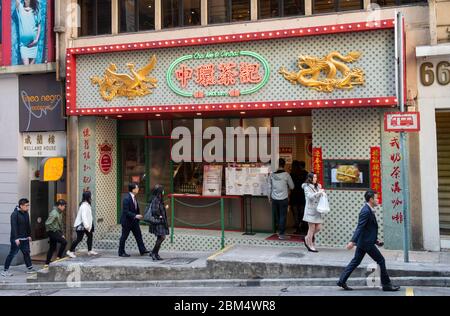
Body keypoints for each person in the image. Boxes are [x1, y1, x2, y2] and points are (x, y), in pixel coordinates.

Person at [337, 190, 400, 292]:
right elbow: (360, 227)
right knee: (381, 260)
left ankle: (341, 281)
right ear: (371, 199)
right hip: (366, 243)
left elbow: (368, 229)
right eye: (376, 198)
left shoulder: (369, 209)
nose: (378, 199)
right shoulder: (366, 211)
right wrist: (352, 242)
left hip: (364, 241)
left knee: (356, 261)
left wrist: (376, 240)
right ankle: (387, 285)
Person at [1, 198, 36, 277]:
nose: (28, 207)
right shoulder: (14, 214)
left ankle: (30, 268)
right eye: (26, 205)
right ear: (21, 206)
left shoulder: (26, 213)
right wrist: (16, 238)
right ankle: (5, 270)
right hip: (16, 239)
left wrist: (29, 235)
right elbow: (14, 227)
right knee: (12, 254)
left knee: (26, 253)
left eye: (28, 205)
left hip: (25, 238)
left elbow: (28, 225)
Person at [118, 183, 149, 257]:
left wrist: (136, 216)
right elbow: (126, 211)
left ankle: (142, 250)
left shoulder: (134, 197)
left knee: (138, 235)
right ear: (133, 189)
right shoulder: (126, 198)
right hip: (127, 221)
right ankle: (121, 252)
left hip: (134, 221)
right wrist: (135, 215)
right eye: (137, 188)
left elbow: (135, 208)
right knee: (124, 237)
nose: (138, 189)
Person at [269, 158, 295, 240]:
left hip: (274, 198)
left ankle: (278, 231)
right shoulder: (286, 175)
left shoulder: (272, 175)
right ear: (284, 165)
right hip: (283, 198)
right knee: (283, 216)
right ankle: (281, 233)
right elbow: (292, 186)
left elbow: (269, 187)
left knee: (277, 216)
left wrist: (269, 198)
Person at [67, 191, 98, 258]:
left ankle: (90, 250)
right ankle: (70, 251)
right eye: (91, 195)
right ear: (88, 197)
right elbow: (83, 216)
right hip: (82, 225)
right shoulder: (84, 206)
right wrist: (87, 226)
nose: (92, 196)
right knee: (79, 239)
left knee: (90, 236)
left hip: (86, 225)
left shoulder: (87, 204)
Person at [302, 172, 325, 252]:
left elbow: (319, 196)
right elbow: (310, 197)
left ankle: (307, 238)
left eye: (316, 177)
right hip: (310, 210)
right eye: (314, 177)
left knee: (318, 227)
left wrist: (322, 193)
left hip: (317, 210)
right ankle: (310, 244)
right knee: (311, 228)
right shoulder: (306, 187)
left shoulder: (318, 186)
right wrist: (318, 192)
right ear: (310, 178)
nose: (316, 179)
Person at [14, 0, 42, 65]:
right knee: (26, 67)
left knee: (31, 70)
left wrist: (36, 39)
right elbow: (17, 1)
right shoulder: (20, 7)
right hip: (24, 45)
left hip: (34, 44)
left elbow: (39, 25)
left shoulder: (36, 9)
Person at [148, 185, 169, 260]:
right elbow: (154, 210)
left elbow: (158, 208)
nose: (163, 192)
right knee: (162, 237)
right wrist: (159, 216)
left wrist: (164, 208)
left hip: (161, 222)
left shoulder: (159, 199)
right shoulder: (156, 199)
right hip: (158, 222)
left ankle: (155, 253)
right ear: (160, 191)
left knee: (160, 238)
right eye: (162, 190)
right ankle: (154, 253)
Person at [44, 199, 68, 267]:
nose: (64, 207)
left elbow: (60, 225)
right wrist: (57, 232)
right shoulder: (54, 213)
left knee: (52, 247)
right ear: (59, 206)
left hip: (56, 231)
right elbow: (47, 223)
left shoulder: (59, 212)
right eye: (63, 206)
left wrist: (62, 234)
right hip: (52, 231)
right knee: (64, 242)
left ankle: (47, 263)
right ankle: (58, 257)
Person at [290, 160, 309, 235]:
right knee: (302, 212)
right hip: (302, 195)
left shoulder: (292, 174)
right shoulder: (306, 174)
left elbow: (290, 186)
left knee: (295, 213)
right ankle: (304, 226)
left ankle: (298, 227)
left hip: (294, 195)